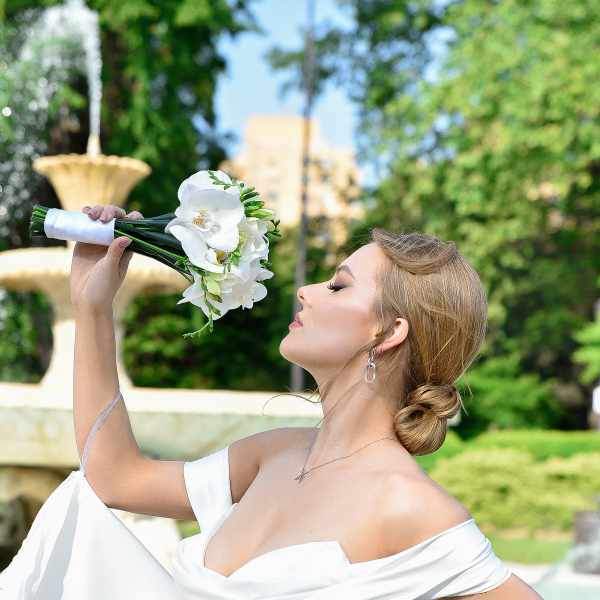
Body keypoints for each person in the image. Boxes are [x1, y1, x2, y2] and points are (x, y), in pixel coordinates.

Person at [0, 204, 543, 599]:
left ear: (388, 331)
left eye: (338, 286)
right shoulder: (274, 453)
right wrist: (92, 307)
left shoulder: (409, 505)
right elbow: (113, 479)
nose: (306, 291)